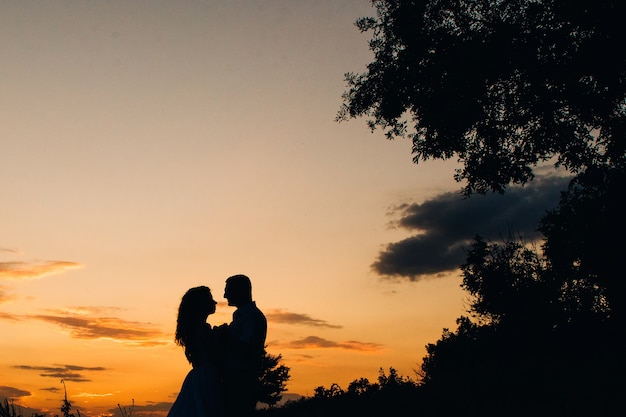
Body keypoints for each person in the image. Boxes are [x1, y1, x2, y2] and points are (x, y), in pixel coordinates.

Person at [167, 286, 224, 417]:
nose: (215, 302)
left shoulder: (195, 329)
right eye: (210, 299)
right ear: (201, 304)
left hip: (198, 376)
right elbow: (216, 356)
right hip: (208, 377)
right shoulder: (203, 330)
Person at [216, 274, 267, 417]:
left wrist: (225, 335)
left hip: (240, 381)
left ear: (240, 291)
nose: (225, 295)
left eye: (228, 290)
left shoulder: (251, 317)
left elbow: (246, 350)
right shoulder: (243, 316)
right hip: (235, 379)